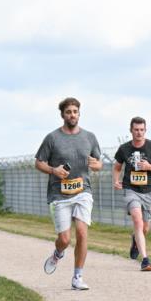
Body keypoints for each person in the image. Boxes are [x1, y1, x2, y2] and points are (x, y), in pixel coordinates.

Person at [35, 97, 102, 290]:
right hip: (59, 194)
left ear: (79, 114)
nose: (72, 115)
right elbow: (39, 162)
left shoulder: (89, 137)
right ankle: (58, 253)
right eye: (68, 112)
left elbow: (98, 162)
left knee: (82, 232)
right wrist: (54, 170)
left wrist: (96, 165)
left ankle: (77, 277)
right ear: (62, 115)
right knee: (65, 240)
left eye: (75, 111)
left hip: (83, 191)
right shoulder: (52, 138)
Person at [113, 117, 151, 272]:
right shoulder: (124, 149)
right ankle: (145, 260)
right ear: (131, 130)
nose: (139, 132)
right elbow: (117, 167)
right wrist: (116, 180)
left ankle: (135, 240)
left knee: (144, 228)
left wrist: (149, 166)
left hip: (149, 191)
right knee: (137, 220)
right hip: (131, 190)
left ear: (145, 130)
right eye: (136, 130)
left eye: (141, 130)